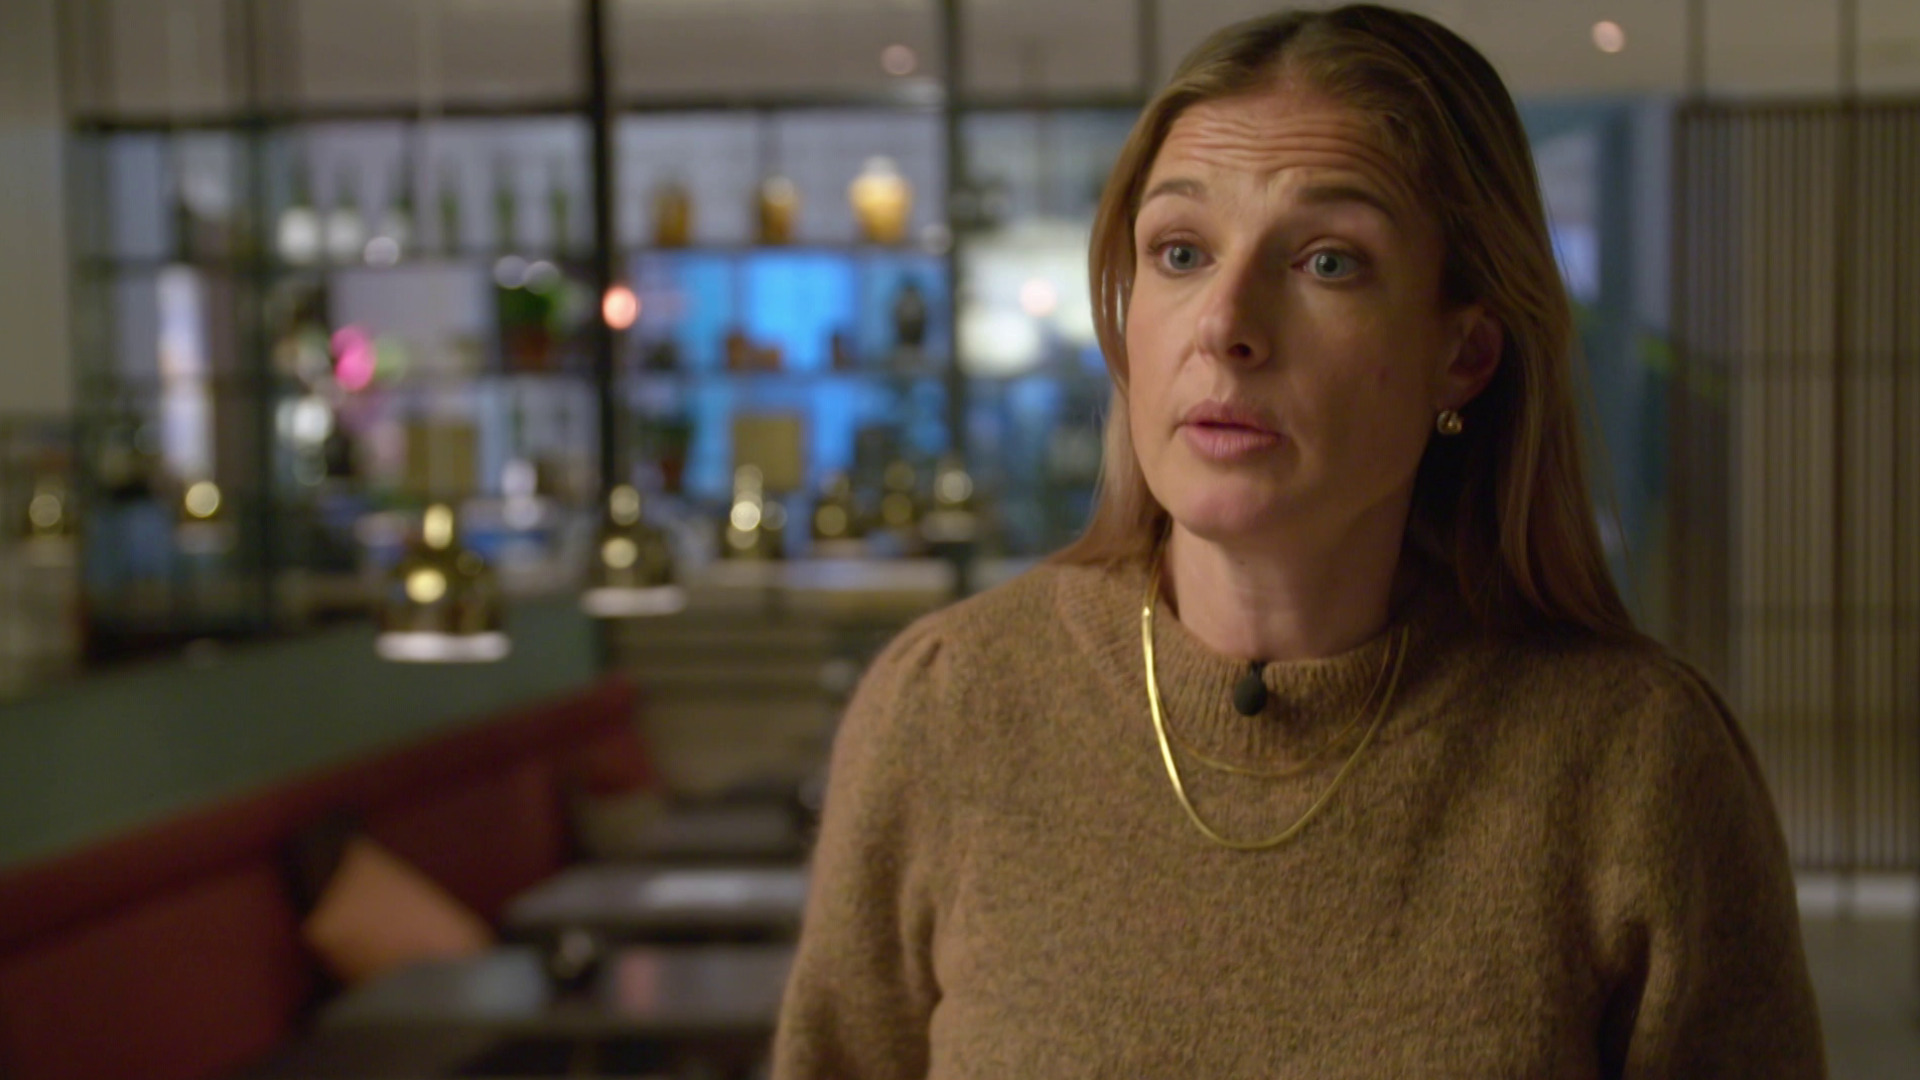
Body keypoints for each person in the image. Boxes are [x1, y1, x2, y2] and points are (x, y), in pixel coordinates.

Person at [771, 5, 1826, 1077]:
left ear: (1463, 355)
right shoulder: (949, 705)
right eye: (1181, 251)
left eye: (1328, 262)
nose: (1225, 323)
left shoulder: (1632, 763)